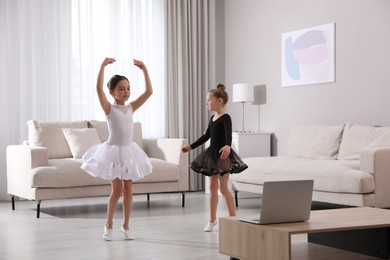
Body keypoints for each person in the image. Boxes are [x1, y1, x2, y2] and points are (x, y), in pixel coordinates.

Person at [81, 57, 153, 241]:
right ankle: (108, 224)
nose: (126, 92)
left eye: (128, 88)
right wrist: (102, 66)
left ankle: (126, 225)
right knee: (116, 190)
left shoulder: (131, 107)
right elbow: (98, 89)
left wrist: (144, 69)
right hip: (113, 151)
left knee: (128, 189)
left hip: (129, 152)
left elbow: (149, 92)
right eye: (122, 88)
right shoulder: (109, 109)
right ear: (112, 92)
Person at [182, 84, 248, 232]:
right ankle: (212, 220)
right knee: (212, 189)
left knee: (223, 188)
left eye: (208, 100)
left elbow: (228, 135)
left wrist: (227, 146)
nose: (207, 103)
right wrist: (190, 147)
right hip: (212, 155)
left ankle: (233, 219)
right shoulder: (213, 118)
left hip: (223, 155)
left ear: (219, 100)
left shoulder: (226, 117)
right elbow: (206, 136)